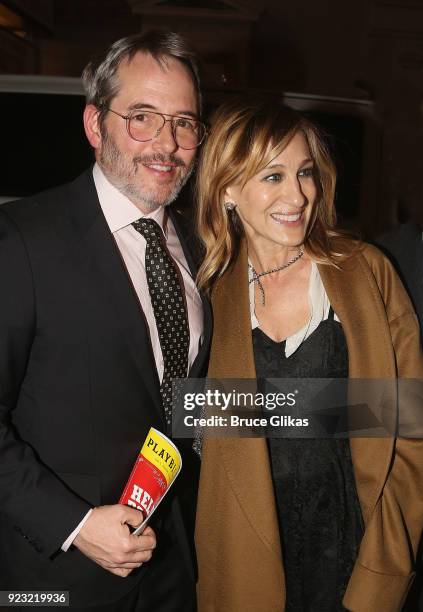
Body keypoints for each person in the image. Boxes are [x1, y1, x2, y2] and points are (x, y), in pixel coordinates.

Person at [0, 30, 211, 611]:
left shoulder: (202, 246)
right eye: (142, 117)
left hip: (172, 575)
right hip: (53, 582)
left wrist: (366, 410)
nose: (166, 144)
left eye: (185, 122)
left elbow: (191, 401)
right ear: (96, 126)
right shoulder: (22, 241)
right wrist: (73, 524)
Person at [194, 97, 423, 612]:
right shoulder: (207, 293)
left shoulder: (366, 273)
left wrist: (382, 568)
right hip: (244, 564)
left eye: (304, 173)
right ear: (228, 189)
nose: (297, 194)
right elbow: (191, 423)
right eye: (272, 177)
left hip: (353, 553)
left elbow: (411, 430)